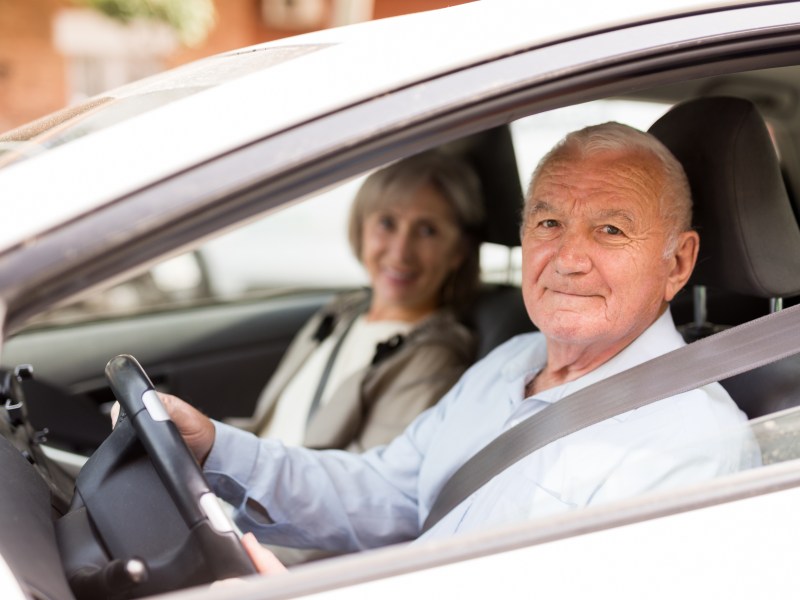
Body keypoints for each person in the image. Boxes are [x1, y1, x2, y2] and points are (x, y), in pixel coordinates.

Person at [157, 123, 758, 569]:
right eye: (548, 223)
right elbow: (386, 493)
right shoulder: (509, 362)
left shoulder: (692, 445)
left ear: (677, 264)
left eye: (610, 229)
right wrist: (216, 450)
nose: (568, 259)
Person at [227, 151, 484, 452]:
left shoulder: (434, 359)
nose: (401, 252)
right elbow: (272, 426)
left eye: (428, 230)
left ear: (458, 253)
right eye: (387, 223)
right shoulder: (339, 313)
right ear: (361, 229)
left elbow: (361, 485)